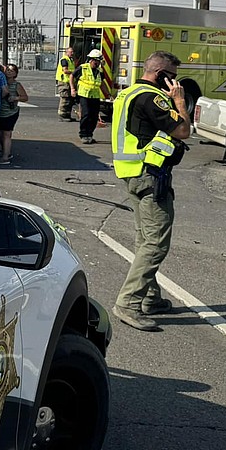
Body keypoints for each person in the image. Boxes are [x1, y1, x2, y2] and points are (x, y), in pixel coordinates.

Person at [111, 50, 191, 331]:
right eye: (173, 76)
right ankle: (129, 303)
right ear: (161, 75)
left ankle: (150, 298)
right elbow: (182, 131)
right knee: (156, 243)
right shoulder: (153, 97)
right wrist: (179, 102)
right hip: (149, 175)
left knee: (144, 237)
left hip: (131, 173)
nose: (175, 82)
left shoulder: (129, 93)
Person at [0, 63, 28, 165]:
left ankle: (5, 157)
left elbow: (25, 97)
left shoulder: (16, 85)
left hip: (11, 112)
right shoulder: (1, 82)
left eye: (11, 71)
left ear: (15, 74)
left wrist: (15, 98)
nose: (9, 72)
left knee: (6, 134)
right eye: (8, 70)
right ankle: (6, 152)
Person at [73, 49, 104, 144]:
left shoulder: (99, 71)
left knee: (94, 117)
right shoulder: (83, 68)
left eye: (99, 61)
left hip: (95, 96)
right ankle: (83, 134)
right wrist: (72, 89)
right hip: (84, 95)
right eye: (97, 61)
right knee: (85, 115)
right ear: (91, 60)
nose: (98, 63)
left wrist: (109, 94)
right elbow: (72, 76)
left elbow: (102, 84)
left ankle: (89, 134)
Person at [56, 46, 78, 121]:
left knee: (70, 100)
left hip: (69, 82)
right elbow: (65, 71)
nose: (72, 53)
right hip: (64, 82)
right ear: (66, 52)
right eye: (70, 52)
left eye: (73, 52)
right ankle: (62, 115)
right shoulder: (64, 60)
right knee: (65, 99)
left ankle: (67, 115)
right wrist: (74, 73)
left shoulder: (70, 60)